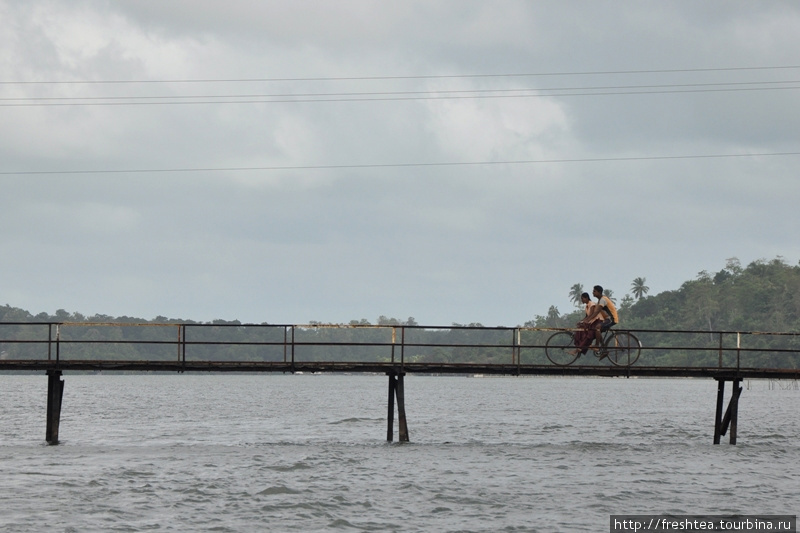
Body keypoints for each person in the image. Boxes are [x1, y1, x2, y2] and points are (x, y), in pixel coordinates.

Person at [580, 285, 619, 359]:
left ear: (599, 292)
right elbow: (594, 313)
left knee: (597, 327)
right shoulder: (600, 300)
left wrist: (587, 320)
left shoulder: (603, 300)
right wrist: (585, 320)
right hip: (607, 319)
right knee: (598, 330)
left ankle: (597, 346)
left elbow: (596, 312)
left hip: (611, 319)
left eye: (594, 291)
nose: (593, 292)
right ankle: (604, 349)